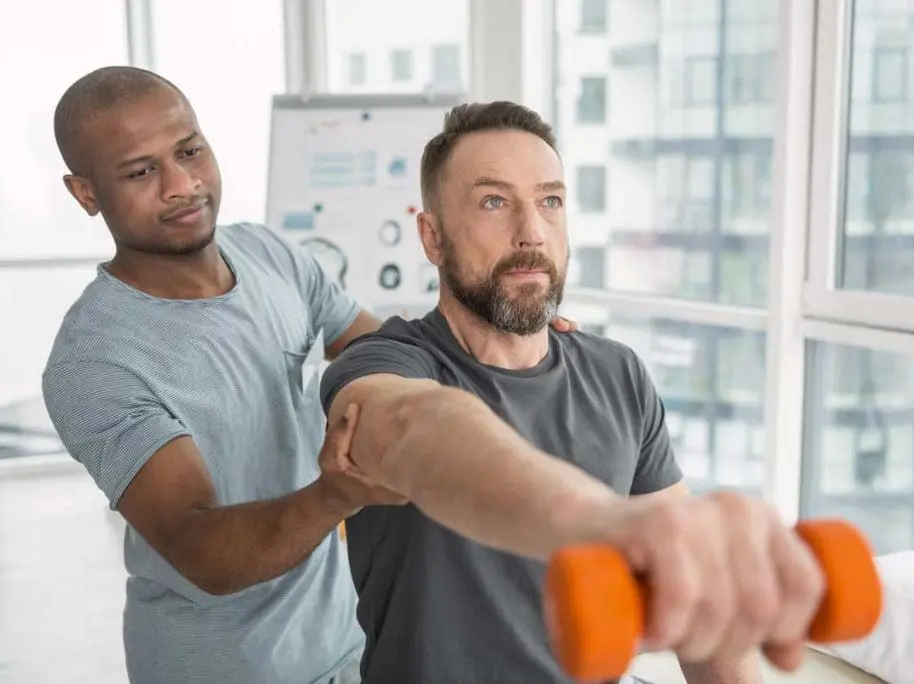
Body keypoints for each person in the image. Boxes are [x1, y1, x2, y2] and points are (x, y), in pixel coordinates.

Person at [39, 66, 576, 684]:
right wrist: (340, 492)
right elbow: (201, 548)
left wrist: (509, 336)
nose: (182, 184)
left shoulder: (269, 255)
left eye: (190, 151)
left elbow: (388, 351)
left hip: (347, 641)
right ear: (86, 193)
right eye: (141, 172)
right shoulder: (93, 360)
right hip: (222, 668)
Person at [317, 101, 826, 684]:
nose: (531, 232)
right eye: (493, 202)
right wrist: (604, 522)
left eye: (550, 201)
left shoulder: (617, 373)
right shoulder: (386, 363)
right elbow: (413, 428)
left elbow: (687, 591)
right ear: (432, 237)